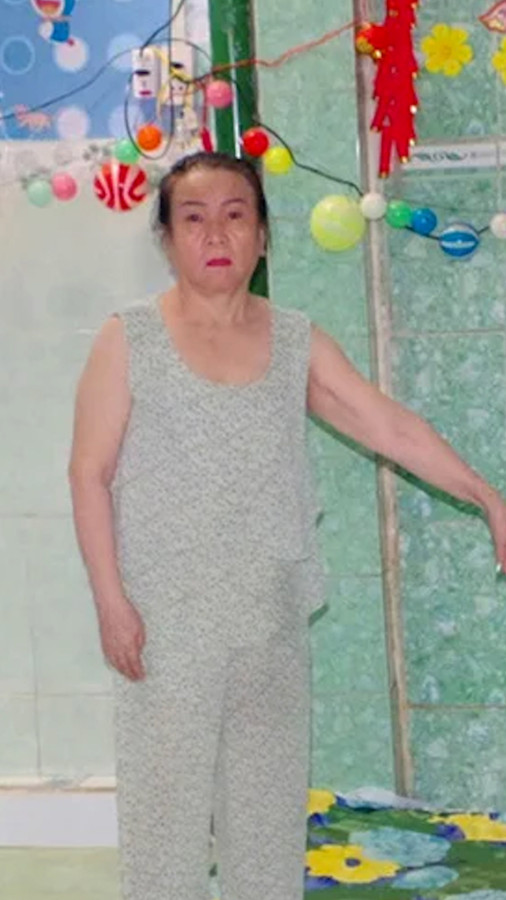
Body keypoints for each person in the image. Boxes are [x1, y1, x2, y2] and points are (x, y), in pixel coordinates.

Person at [68, 151, 506, 900]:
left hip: (271, 624)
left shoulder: (295, 338)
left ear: (263, 236)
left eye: (236, 215)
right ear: (167, 239)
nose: (216, 233)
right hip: (164, 632)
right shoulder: (128, 338)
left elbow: (388, 425)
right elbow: (88, 474)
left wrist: (487, 496)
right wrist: (112, 605)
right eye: (194, 218)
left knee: (267, 837)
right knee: (165, 838)